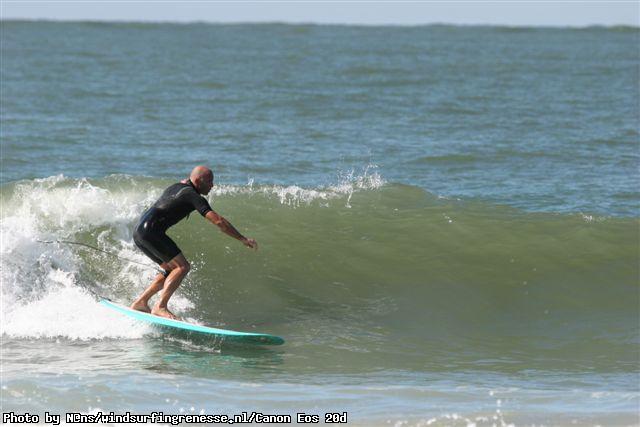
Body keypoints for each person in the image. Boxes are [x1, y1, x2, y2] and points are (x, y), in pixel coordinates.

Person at [130, 165, 257, 319]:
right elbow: (219, 221)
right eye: (209, 181)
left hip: (139, 232)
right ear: (198, 180)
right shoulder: (192, 196)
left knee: (170, 270)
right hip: (151, 232)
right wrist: (242, 238)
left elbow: (183, 184)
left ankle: (141, 302)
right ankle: (160, 306)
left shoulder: (178, 187)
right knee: (182, 267)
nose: (212, 185)